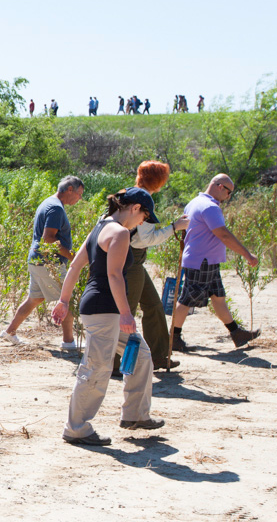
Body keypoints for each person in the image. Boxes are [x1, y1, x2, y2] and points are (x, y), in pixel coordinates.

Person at [54, 188, 163, 446]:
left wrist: (64, 300)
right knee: (97, 368)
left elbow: (75, 266)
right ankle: (76, 428)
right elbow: (114, 275)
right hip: (105, 309)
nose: (142, 223)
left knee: (141, 355)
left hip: (99, 307)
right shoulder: (120, 233)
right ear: (135, 208)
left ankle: (135, 414)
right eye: (145, 217)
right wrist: (126, 312)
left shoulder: (99, 227)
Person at [114, 162, 189, 372]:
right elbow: (143, 240)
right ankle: (112, 363)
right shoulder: (143, 200)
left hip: (132, 258)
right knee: (125, 310)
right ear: (158, 179)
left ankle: (158, 357)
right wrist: (174, 227)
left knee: (154, 306)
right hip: (131, 259)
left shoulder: (129, 193)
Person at [171, 174, 260, 350]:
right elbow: (224, 234)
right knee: (187, 299)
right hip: (201, 261)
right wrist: (248, 255)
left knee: (218, 297)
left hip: (206, 260)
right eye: (229, 192)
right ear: (220, 187)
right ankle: (173, 338)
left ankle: (236, 333)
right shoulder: (209, 207)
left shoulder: (195, 202)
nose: (228, 197)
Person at [0, 176, 85, 349]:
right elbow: (48, 239)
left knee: (35, 298)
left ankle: (9, 332)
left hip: (37, 261)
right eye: (79, 194)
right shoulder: (55, 209)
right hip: (48, 264)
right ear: (69, 189)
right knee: (66, 299)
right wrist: (73, 257)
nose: (80, 198)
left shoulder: (48, 203)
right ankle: (69, 343)